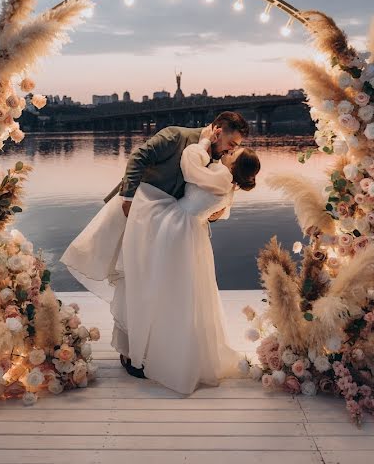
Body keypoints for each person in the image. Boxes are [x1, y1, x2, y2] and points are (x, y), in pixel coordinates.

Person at [60, 112, 256, 389]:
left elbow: (205, 195)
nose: (230, 149)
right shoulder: (176, 135)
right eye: (231, 142)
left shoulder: (217, 158)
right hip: (140, 210)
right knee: (133, 280)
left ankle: (155, 349)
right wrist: (128, 197)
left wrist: (210, 213)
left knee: (159, 288)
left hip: (169, 227)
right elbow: (138, 158)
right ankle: (129, 352)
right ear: (217, 129)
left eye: (235, 147)